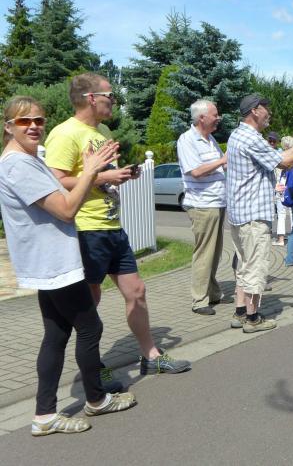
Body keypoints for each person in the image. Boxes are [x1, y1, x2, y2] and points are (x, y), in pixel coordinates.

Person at [0, 96, 136, 436]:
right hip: (53, 262)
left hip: (51, 260)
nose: (34, 126)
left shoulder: (29, 159)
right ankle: (96, 399)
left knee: (56, 335)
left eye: (39, 120)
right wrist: (91, 172)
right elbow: (65, 210)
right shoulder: (17, 165)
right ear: (8, 127)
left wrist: (92, 173)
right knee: (90, 328)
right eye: (24, 121)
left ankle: (45, 415)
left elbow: (64, 200)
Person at [45, 73, 191, 376]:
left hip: (112, 227)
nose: (114, 100)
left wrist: (118, 175)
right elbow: (56, 181)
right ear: (91, 98)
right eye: (110, 95)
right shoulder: (65, 133)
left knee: (137, 291)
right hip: (86, 229)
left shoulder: (102, 131)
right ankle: (93, 368)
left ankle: (151, 356)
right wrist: (105, 176)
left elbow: (99, 179)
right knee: (90, 301)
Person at [226, 94, 293, 332]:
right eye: (266, 108)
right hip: (253, 216)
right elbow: (286, 161)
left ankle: (240, 312)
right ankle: (252, 318)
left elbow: (282, 158)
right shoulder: (251, 138)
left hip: (240, 215)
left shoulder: (236, 134)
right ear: (254, 111)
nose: (269, 113)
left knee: (244, 264)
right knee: (255, 267)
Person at [177, 100, 229, 315]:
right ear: (201, 118)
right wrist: (222, 161)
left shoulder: (210, 139)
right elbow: (196, 171)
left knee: (214, 253)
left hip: (216, 202)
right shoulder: (187, 139)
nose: (218, 118)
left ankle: (213, 292)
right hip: (202, 204)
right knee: (204, 253)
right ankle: (199, 300)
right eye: (215, 115)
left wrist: (227, 162)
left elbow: (220, 165)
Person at [271, 133, 292, 246]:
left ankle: (281, 239)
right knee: (292, 213)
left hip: (281, 186)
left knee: (281, 213)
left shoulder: (278, 156)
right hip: (291, 186)